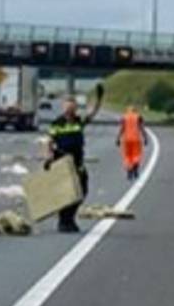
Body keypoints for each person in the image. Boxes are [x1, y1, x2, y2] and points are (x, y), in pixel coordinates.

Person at [46, 83, 104, 233]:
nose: (70, 110)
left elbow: (92, 113)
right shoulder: (57, 123)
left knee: (81, 191)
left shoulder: (79, 121)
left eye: (72, 108)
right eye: (68, 107)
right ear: (64, 108)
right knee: (66, 192)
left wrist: (99, 99)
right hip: (62, 162)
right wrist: (48, 157)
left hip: (78, 162)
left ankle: (69, 218)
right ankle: (63, 221)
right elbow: (49, 141)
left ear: (75, 109)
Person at [115, 105, 147, 181]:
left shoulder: (124, 117)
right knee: (136, 155)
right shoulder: (138, 117)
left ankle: (129, 172)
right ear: (135, 111)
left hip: (126, 140)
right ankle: (135, 169)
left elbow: (122, 129)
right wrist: (145, 137)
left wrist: (118, 138)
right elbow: (142, 128)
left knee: (127, 156)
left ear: (127, 111)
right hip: (136, 139)